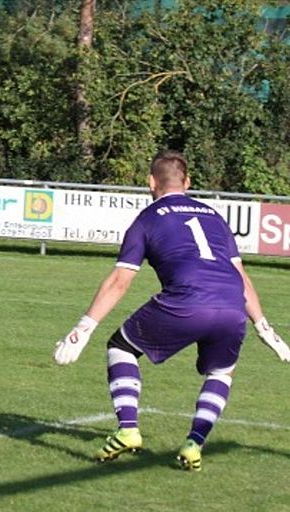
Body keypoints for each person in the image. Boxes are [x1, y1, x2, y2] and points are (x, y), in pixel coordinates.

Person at [53, 150, 290, 471]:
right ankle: (194, 444)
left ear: (151, 182)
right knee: (221, 372)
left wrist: (83, 328)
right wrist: (264, 328)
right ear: (188, 182)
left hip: (186, 301)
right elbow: (242, 277)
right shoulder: (215, 217)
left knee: (120, 347)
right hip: (233, 305)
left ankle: (128, 429)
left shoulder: (147, 218)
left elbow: (120, 281)